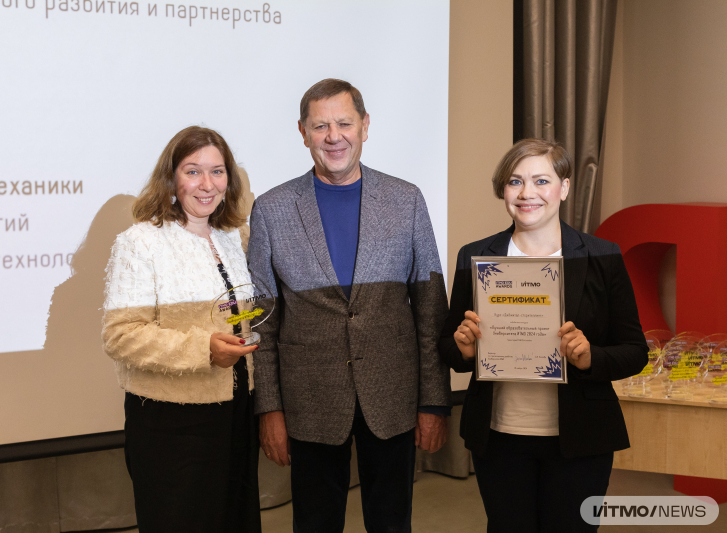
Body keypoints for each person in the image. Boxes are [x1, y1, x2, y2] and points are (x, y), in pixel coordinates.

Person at [247, 78, 452, 533]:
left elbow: (430, 312)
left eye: (344, 123)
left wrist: (435, 403)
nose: (333, 136)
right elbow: (262, 323)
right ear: (302, 132)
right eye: (321, 126)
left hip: (393, 397)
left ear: (365, 126)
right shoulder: (272, 209)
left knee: (392, 522)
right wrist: (269, 409)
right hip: (310, 402)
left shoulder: (407, 200)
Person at [439, 138, 648, 532]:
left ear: (564, 187)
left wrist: (590, 358)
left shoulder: (603, 256)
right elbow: (448, 346)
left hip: (581, 440)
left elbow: (636, 351)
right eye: (515, 182)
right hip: (499, 437)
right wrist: (464, 349)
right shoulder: (475, 256)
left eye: (540, 180)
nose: (527, 193)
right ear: (503, 190)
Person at [101, 126, 261, 532]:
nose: (207, 185)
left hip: (237, 413)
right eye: (193, 171)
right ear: (171, 179)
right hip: (171, 424)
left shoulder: (234, 237)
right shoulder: (140, 243)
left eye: (218, 171)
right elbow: (121, 335)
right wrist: (204, 349)